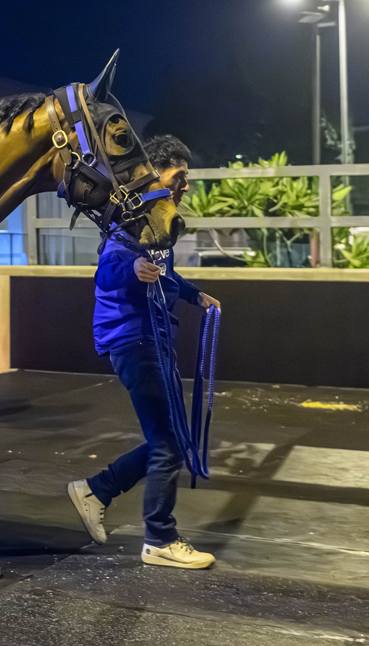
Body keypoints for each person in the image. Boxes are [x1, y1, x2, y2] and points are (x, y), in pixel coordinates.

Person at [67, 135, 222, 570]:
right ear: (155, 175)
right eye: (180, 177)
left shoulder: (156, 219)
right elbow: (110, 267)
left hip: (150, 335)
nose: (185, 186)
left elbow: (165, 274)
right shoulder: (131, 217)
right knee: (170, 439)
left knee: (169, 438)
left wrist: (194, 295)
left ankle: (97, 490)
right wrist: (133, 269)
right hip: (133, 337)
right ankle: (159, 538)